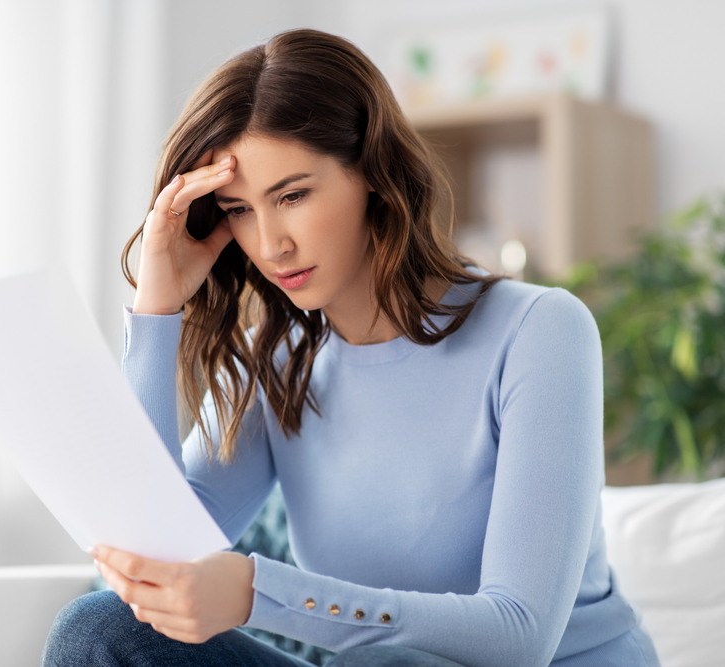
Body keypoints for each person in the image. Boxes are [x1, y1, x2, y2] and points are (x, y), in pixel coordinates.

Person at [42, 28, 660, 667]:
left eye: (292, 195)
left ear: (372, 172)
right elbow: (156, 555)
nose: (270, 243)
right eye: (238, 209)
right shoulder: (275, 362)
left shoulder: (540, 331)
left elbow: (518, 635)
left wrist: (260, 595)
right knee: (102, 628)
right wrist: (157, 307)